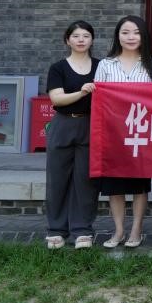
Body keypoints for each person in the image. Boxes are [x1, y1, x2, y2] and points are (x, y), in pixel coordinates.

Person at [88, 15, 152, 250]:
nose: (131, 37)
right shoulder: (106, 65)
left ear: (143, 36)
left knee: (140, 185)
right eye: (125, 32)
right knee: (114, 185)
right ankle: (118, 230)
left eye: (136, 32)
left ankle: (136, 229)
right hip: (113, 134)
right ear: (118, 36)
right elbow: (98, 100)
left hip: (141, 133)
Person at [44, 20, 100, 250]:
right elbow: (56, 99)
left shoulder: (101, 66)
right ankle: (56, 230)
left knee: (86, 181)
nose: (81, 40)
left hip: (92, 125)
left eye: (85, 36)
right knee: (57, 179)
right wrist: (82, 92)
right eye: (76, 36)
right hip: (63, 124)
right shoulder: (58, 68)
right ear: (67, 40)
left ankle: (82, 230)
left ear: (92, 40)